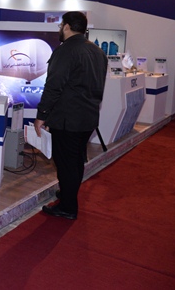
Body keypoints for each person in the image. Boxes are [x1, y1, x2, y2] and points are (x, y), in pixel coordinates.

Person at [34, 11, 107, 220]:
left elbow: (54, 86)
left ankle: (67, 207)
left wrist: (42, 115)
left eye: (61, 26)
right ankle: (68, 194)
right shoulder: (97, 52)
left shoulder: (65, 50)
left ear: (66, 26)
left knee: (66, 163)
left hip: (67, 119)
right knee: (75, 161)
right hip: (88, 118)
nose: (60, 29)